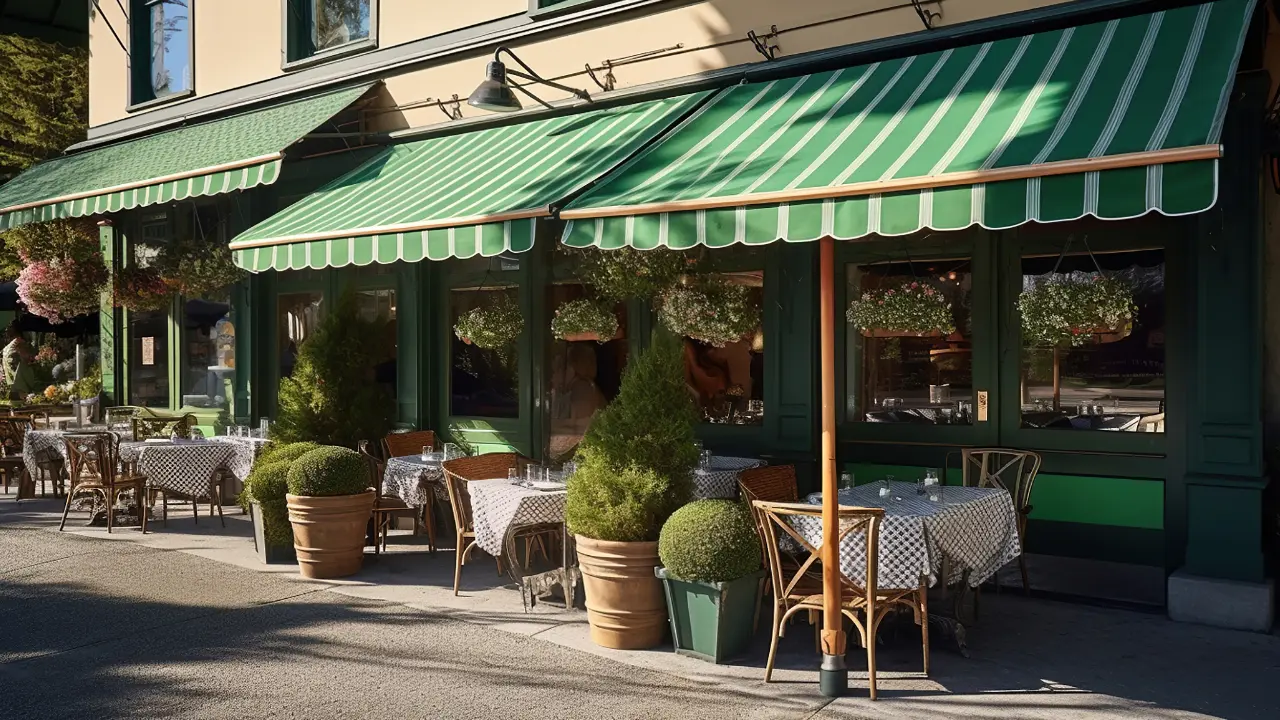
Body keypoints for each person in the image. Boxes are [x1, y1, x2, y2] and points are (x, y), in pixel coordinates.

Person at [2, 323, 37, 400]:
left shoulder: (7, 348)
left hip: (13, 383)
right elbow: (27, 358)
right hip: (21, 384)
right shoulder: (19, 343)